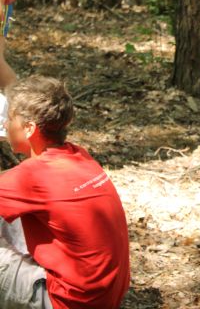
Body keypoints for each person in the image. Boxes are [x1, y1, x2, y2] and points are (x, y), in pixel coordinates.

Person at [0, 76, 130, 308]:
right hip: (104, 295)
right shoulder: (78, 155)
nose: (5, 125)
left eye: (9, 119)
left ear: (29, 129)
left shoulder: (32, 175)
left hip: (65, 301)